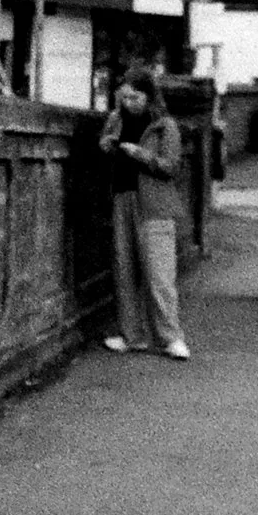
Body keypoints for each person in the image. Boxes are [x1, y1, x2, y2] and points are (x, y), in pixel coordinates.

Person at [98, 66, 190, 361]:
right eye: (125, 97)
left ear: (149, 97)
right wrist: (108, 144)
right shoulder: (115, 119)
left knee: (159, 273)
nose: (129, 103)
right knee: (124, 268)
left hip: (154, 203)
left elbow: (171, 166)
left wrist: (142, 155)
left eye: (135, 97)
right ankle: (131, 334)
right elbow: (104, 146)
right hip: (122, 197)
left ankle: (171, 337)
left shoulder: (165, 126)